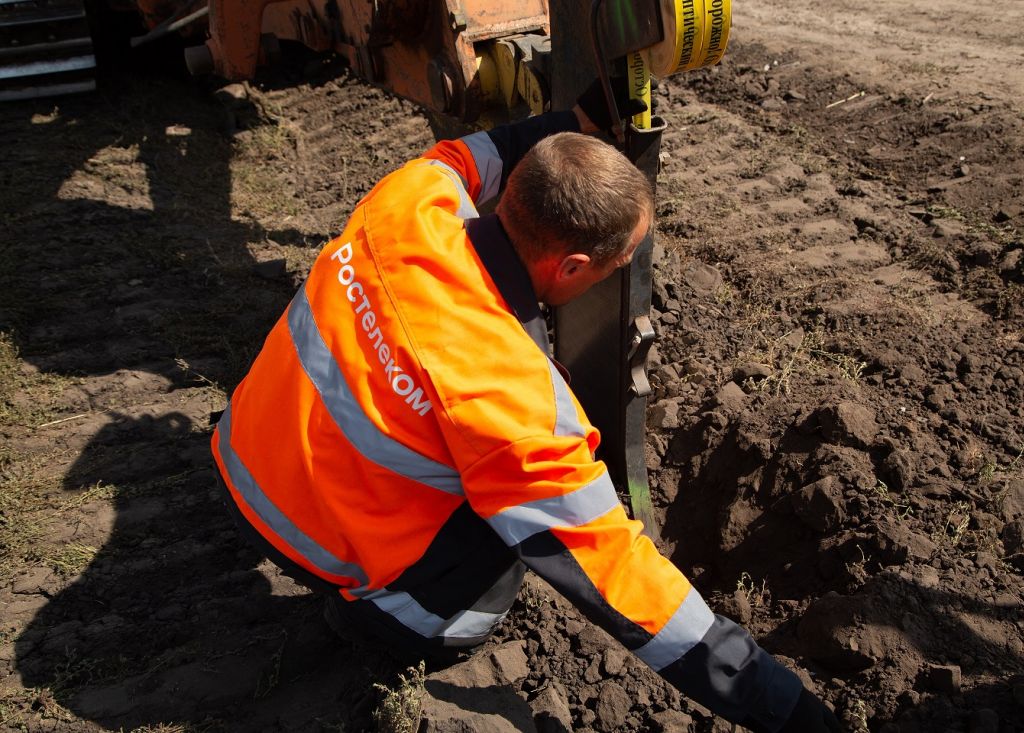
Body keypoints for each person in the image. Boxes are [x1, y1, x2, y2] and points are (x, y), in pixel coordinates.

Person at [211, 85, 841, 733]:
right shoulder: (513, 396)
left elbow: (472, 154)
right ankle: (390, 621)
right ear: (570, 267)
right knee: (512, 542)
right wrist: (791, 711)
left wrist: (571, 124)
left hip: (243, 467)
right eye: (617, 264)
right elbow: (621, 577)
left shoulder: (409, 199)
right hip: (323, 553)